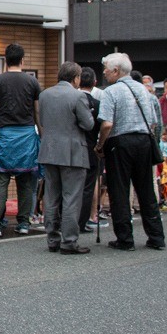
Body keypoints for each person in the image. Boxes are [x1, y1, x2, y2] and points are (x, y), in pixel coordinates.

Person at [94, 53, 167, 251]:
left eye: (107, 69)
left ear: (116, 71)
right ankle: (156, 237)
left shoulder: (111, 92)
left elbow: (107, 124)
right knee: (146, 191)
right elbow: (153, 122)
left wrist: (100, 145)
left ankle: (125, 239)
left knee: (119, 190)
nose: (104, 72)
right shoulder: (144, 91)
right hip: (143, 140)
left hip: (119, 142)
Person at [0, 43, 41, 237]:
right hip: (27, 136)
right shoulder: (32, 82)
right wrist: (43, 135)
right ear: (22, 60)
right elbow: (38, 111)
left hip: (5, 136)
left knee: (0, 180)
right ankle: (23, 223)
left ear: (6, 60)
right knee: (26, 182)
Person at [37, 62, 95, 255]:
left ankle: (52, 239)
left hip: (49, 149)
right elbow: (88, 124)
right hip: (72, 151)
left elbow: (43, 121)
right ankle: (69, 241)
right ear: (76, 77)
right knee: (71, 197)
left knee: (51, 196)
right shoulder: (78, 96)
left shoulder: (44, 95)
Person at [78, 67, 103, 232]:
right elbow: (105, 125)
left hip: (74, 147)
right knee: (88, 187)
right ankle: (83, 221)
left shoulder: (72, 100)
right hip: (92, 147)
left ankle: (66, 220)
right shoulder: (98, 103)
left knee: (71, 187)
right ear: (94, 83)